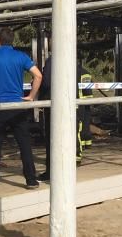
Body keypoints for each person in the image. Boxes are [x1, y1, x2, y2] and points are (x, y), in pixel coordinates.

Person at [0, 27, 43, 191]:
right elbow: (38, 75)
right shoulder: (21, 56)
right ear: (12, 41)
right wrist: (31, 96)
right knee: (24, 143)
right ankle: (31, 180)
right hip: (17, 106)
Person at [37, 49, 93, 181]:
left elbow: (46, 82)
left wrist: (40, 95)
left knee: (53, 138)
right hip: (73, 104)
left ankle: (52, 171)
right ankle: (69, 164)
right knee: (71, 133)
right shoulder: (73, 64)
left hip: (55, 105)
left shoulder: (52, 61)